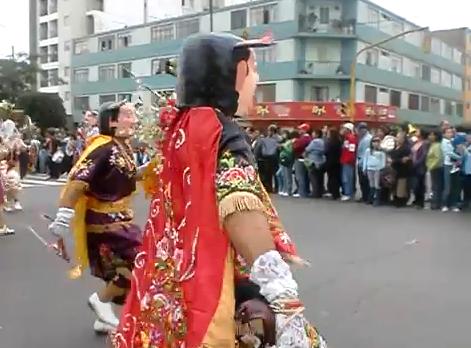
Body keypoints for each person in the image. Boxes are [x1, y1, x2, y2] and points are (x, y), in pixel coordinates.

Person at [114, 33, 327, 348]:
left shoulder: (182, 128)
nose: (257, 79)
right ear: (233, 74)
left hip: (176, 282)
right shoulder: (220, 133)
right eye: (253, 70)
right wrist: (282, 296)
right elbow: (237, 202)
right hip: (219, 283)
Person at [48, 102, 146, 334]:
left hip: (121, 218)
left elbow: (130, 176)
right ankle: (100, 301)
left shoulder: (122, 147)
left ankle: (103, 318)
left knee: (125, 269)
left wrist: (153, 167)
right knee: (141, 261)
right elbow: (79, 179)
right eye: (128, 116)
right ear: (112, 121)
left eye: (134, 116)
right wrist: (64, 214)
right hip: (105, 221)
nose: (134, 121)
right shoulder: (103, 147)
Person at [254, 125, 280, 193]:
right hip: (275, 158)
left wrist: (255, 158)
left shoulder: (264, 140)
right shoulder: (279, 139)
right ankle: (277, 188)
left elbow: (258, 150)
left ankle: (269, 188)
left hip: (265, 158)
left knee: (267, 175)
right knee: (275, 174)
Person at [390, 131, 412, 207]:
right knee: (394, 185)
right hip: (394, 169)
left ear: (403, 139)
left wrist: (395, 160)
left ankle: (401, 201)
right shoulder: (396, 147)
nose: (397, 139)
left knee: (401, 186)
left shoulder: (406, 148)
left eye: (399, 137)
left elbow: (404, 160)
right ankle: (395, 198)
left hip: (402, 170)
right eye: (397, 137)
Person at [363, 136, 386, 206]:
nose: (375, 143)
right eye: (374, 141)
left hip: (377, 169)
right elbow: (365, 159)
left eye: (377, 141)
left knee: (377, 184)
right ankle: (370, 198)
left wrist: (381, 168)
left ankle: (377, 200)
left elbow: (383, 161)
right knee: (371, 184)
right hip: (370, 168)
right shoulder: (368, 150)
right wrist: (364, 168)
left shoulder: (381, 151)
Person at [305, 129, 326, 198]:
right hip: (320, 161)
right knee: (320, 178)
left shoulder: (315, 142)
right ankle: (320, 191)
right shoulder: (323, 141)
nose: (312, 134)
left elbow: (307, 149)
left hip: (313, 161)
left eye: (313, 133)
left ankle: (315, 193)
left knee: (313, 177)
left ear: (317, 134)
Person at [293, 123, 312, 197]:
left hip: (300, 159)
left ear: (305, 130)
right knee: (304, 176)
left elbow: (296, 147)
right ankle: (305, 191)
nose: (299, 131)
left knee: (300, 177)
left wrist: (294, 143)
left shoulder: (304, 138)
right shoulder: (308, 138)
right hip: (305, 159)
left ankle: (302, 192)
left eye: (301, 129)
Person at [426, 129, 443, 210]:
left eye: (432, 135)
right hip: (432, 168)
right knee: (434, 186)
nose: (430, 136)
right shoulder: (432, 145)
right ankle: (435, 202)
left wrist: (431, 166)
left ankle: (436, 203)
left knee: (436, 186)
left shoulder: (437, 146)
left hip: (436, 168)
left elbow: (438, 158)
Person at [340, 122, 357, 201]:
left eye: (344, 128)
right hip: (345, 160)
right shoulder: (346, 138)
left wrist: (349, 160)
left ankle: (348, 193)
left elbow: (351, 151)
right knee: (346, 177)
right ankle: (348, 192)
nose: (342, 130)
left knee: (347, 178)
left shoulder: (351, 138)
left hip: (348, 161)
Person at [356, 122, 372, 203]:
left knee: (364, 181)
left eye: (359, 130)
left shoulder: (366, 139)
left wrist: (361, 164)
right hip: (363, 161)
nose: (358, 132)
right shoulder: (364, 138)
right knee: (363, 181)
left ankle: (366, 197)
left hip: (364, 162)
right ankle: (365, 196)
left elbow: (364, 154)